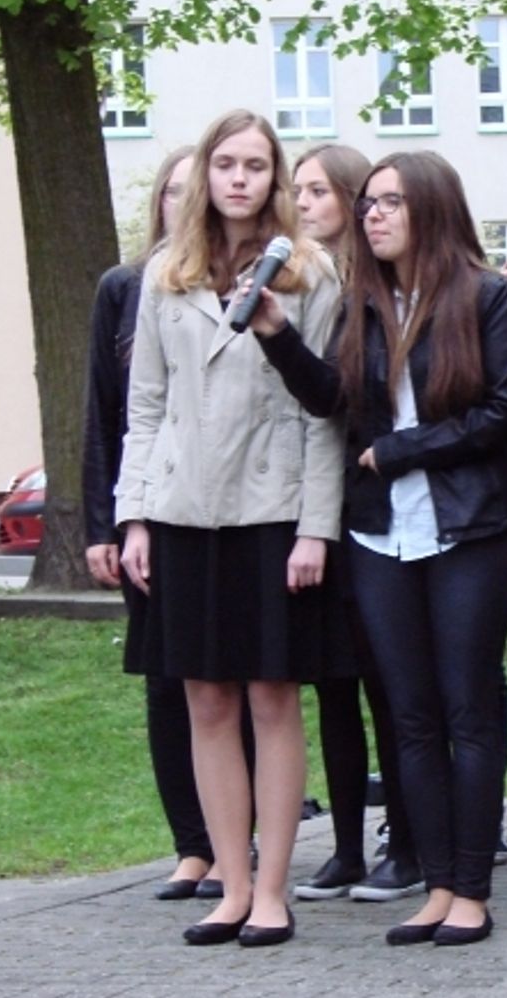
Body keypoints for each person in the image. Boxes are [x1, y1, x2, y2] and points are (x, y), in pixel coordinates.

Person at [250, 150, 507, 947]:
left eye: (390, 202)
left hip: (466, 527)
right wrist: (276, 335)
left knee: (467, 709)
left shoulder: (485, 295)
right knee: (409, 715)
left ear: (430, 209)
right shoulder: (361, 302)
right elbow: (334, 400)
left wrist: (405, 450)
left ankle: (471, 889)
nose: (372, 214)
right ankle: (435, 885)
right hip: (379, 532)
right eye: (368, 202)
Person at [116, 109, 346, 948]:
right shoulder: (165, 273)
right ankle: (231, 881)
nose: (239, 179)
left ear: (274, 177)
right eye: (225, 164)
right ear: (204, 175)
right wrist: (134, 514)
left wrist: (316, 528)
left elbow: (326, 415)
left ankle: (274, 889)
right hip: (182, 510)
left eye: (255, 165)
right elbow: (145, 406)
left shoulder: (310, 272)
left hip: (273, 510)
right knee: (205, 698)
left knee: (271, 695)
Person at [84, 145, 239, 901]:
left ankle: (238, 840)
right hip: (149, 508)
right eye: (171, 191)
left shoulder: (240, 281)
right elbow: (110, 416)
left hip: (229, 510)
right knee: (167, 681)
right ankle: (192, 845)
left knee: (235, 679)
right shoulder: (126, 287)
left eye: (192, 189)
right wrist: (106, 525)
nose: (184, 202)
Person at [285, 144, 420, 905]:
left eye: (318, 190)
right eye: (297, 190)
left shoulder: (371, 291)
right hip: (313, 505)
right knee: (333, 685)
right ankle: (343, 846)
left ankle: (407, 837)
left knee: (385, 683)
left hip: (370, 505)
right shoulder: (300, 277)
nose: (304, 203)